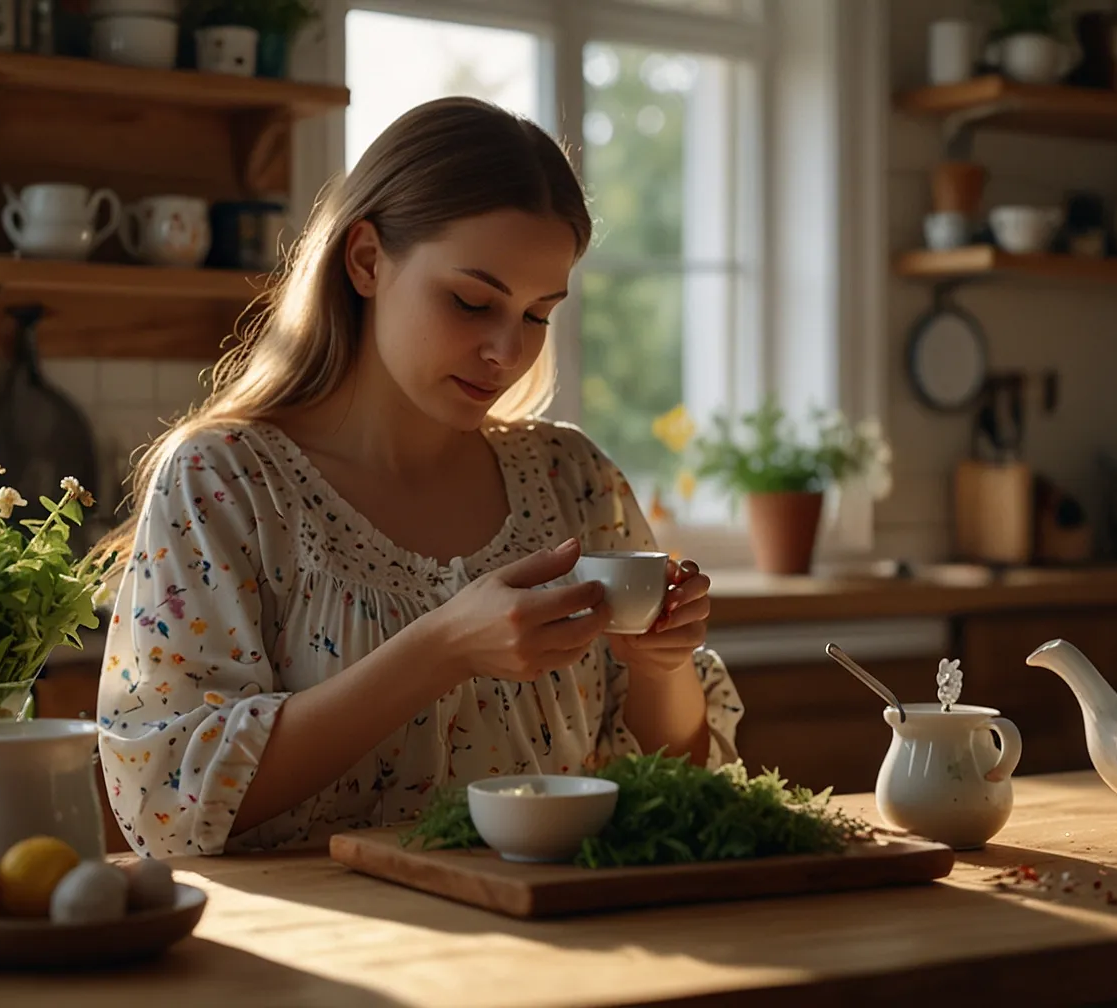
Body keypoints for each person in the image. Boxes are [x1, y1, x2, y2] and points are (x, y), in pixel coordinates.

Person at [93, 97, 742, 858]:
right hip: (320, 958)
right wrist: (440, 650)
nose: (507, 350)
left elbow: (682, 785)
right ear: (367, 260)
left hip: (557, 944)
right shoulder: (225, 481)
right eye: (472, 301)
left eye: (538, 315)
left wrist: (661, 668)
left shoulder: (576, 479)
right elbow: (170, 800)